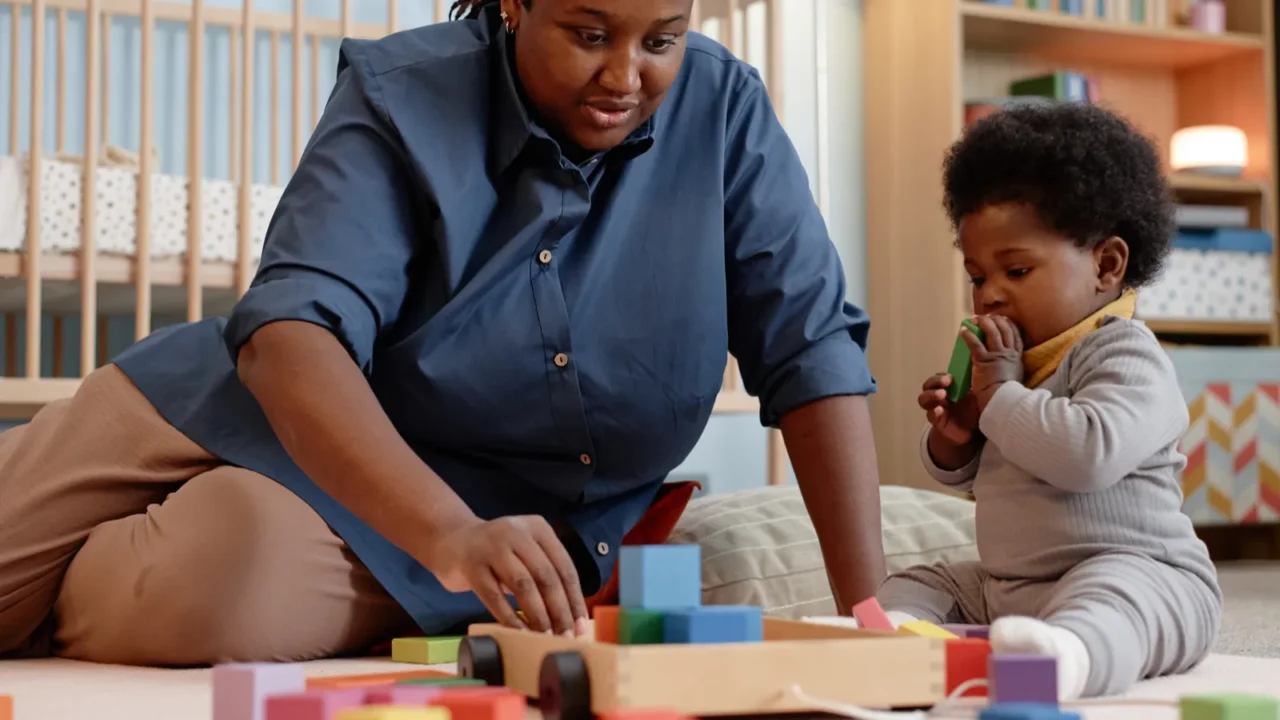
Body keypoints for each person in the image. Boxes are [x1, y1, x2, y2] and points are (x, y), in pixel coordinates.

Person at [0, 0, 887, 667]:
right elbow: (289, 334)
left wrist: (869, 617)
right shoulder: (402, 90)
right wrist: (450, 534)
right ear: (514, 5)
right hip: (213, 401)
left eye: (661, 39)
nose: (625, 76)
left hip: (398, 509)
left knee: (225, 582)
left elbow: (811, 351)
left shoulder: (726, 110)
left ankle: (53, 599)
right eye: (587, 34)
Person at [874, 102, 1222, 699]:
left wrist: (1002, 396)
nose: (991, 297)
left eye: (1018, 270)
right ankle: (899, 643)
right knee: (921, 582)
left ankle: (1069, 659)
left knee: (1116, 602)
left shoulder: (1123, 354)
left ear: (1106, 266)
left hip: (1142, 571)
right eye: (979, 276)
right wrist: (956, 435)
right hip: (1013, 585)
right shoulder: (1013, 366)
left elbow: (1086, 456)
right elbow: (975, 479)